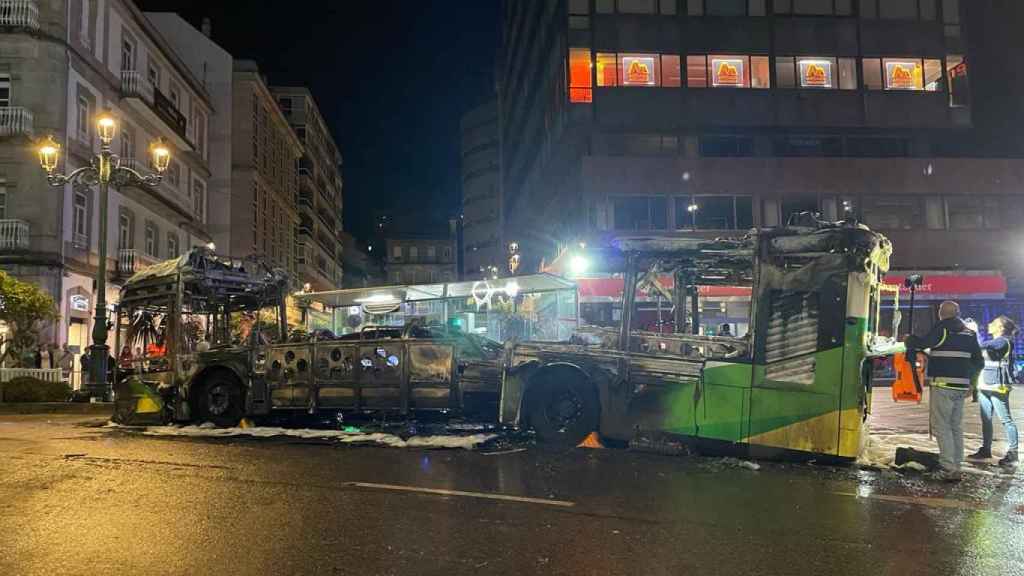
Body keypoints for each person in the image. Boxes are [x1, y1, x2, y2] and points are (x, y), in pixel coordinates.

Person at [905, 301, 985, 482]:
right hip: (961, 386)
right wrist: (972, 384)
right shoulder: (969, 333)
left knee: (941, 426)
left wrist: (910, 340)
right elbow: (979, 362)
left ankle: (947, 467)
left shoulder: (942, 329)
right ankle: (956, 465)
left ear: (941, 313)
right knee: (955, 426)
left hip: (943, 385)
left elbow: (924, 342)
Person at [967, 316, 1019, 466]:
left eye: (993, 323)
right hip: (985, 385)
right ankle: (985, 450)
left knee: (1006, 420)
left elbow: (984, 346)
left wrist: (975, 333)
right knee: (986, 420)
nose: (989, 324)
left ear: (1001, 328)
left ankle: (1013, 453)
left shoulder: (1003, 341)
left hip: (997, 386)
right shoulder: (996, 341)